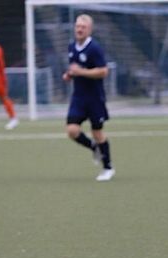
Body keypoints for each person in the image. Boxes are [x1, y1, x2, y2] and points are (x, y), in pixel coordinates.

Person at [63, 14, 114, 181]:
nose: (79, 29)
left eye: (83, 27)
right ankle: (94, 148)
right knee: (72, 130)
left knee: (97, 132)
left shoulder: (94, 48)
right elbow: (75, 68)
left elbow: (103, 71)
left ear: (89, 30)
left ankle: (108, 168)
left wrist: (81, 72)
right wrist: (69, 74)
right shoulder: (71, 46)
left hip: (94, 98)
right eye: (77, 26)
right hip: (78, 97)